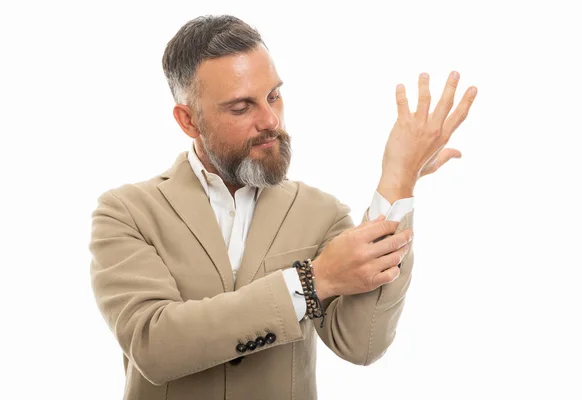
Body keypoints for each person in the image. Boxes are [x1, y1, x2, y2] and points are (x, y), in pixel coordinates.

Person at [88, 14, 477, 400]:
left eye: (273, 95)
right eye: (242, 107)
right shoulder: (126, 212)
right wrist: (312, 281)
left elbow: (362, 344)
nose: (271, 119)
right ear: (188, 121)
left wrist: (398, 181)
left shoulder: (320, 212)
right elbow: (155, 346)